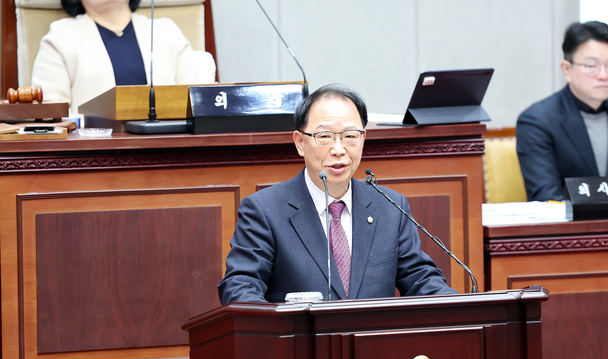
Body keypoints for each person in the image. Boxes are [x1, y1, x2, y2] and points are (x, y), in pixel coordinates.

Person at [218, 84, 457, 304]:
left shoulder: (390, 207)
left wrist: (457, 308)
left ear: (363, 139)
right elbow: (240, 286)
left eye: (350, 136)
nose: (339, 149)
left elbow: (420, 278)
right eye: (325, 137)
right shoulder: (265, 210)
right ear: (300, 142)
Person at [516, 21, 608, 202]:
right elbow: (547, 197)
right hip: (566, 219)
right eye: (591, 66)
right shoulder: (537, 120)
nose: (603, 75)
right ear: (567, 69)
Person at [31, 0, 216, 117]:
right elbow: (49, 114)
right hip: (93, 154)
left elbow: (197, 104)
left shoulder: (167, 31)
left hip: (169, 150)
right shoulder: (59, 37)